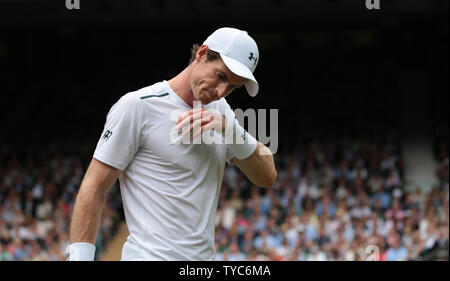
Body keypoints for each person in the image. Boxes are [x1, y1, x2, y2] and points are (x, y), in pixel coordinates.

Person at [67, 27, 277, 261]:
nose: (221, 91)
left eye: (232, 87)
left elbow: (267, 176)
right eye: (221, 76)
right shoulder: (138, 105)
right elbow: (94, 186)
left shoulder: (221, 114)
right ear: (202, 54)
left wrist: (231, 129)